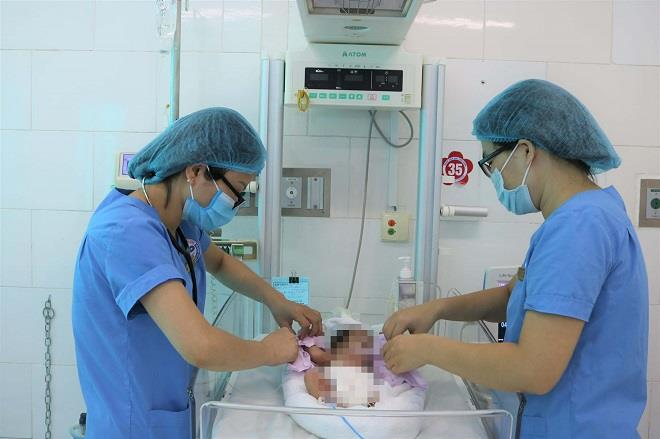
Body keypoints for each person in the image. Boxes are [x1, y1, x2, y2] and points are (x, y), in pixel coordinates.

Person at [381, 79, 648, 438]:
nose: (494, 178)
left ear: (525, 151)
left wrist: (428, 349)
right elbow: (516, 296)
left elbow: (532, 369)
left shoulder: (578, 227)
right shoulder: (587, 214)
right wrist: (438, 309)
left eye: (491, 164)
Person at [72, 107, 323, 439]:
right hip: (132, 424)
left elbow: (218, 262)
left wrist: (275, 300)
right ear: (195, 171)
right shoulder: (128, 232)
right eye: (237, 189)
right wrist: (270, 351)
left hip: (164, 413)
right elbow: (201, 347)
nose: (237, 202)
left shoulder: (176, 219)